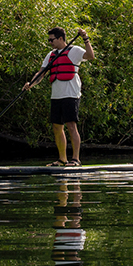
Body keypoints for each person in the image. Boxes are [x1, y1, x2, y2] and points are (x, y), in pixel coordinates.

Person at [24, 27, 95, 166]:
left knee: (71, 126)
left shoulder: (74, 50)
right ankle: (62, 159)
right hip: (56, 95)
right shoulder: (51, 54)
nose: (50, 42)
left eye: (52, 39)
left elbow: (90, 56)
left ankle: (75, 159)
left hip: (71, 94)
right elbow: (41, 73)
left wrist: (85, 39)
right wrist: (30, 84)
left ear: (61, 38)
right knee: (57, 127)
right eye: (49, 40)